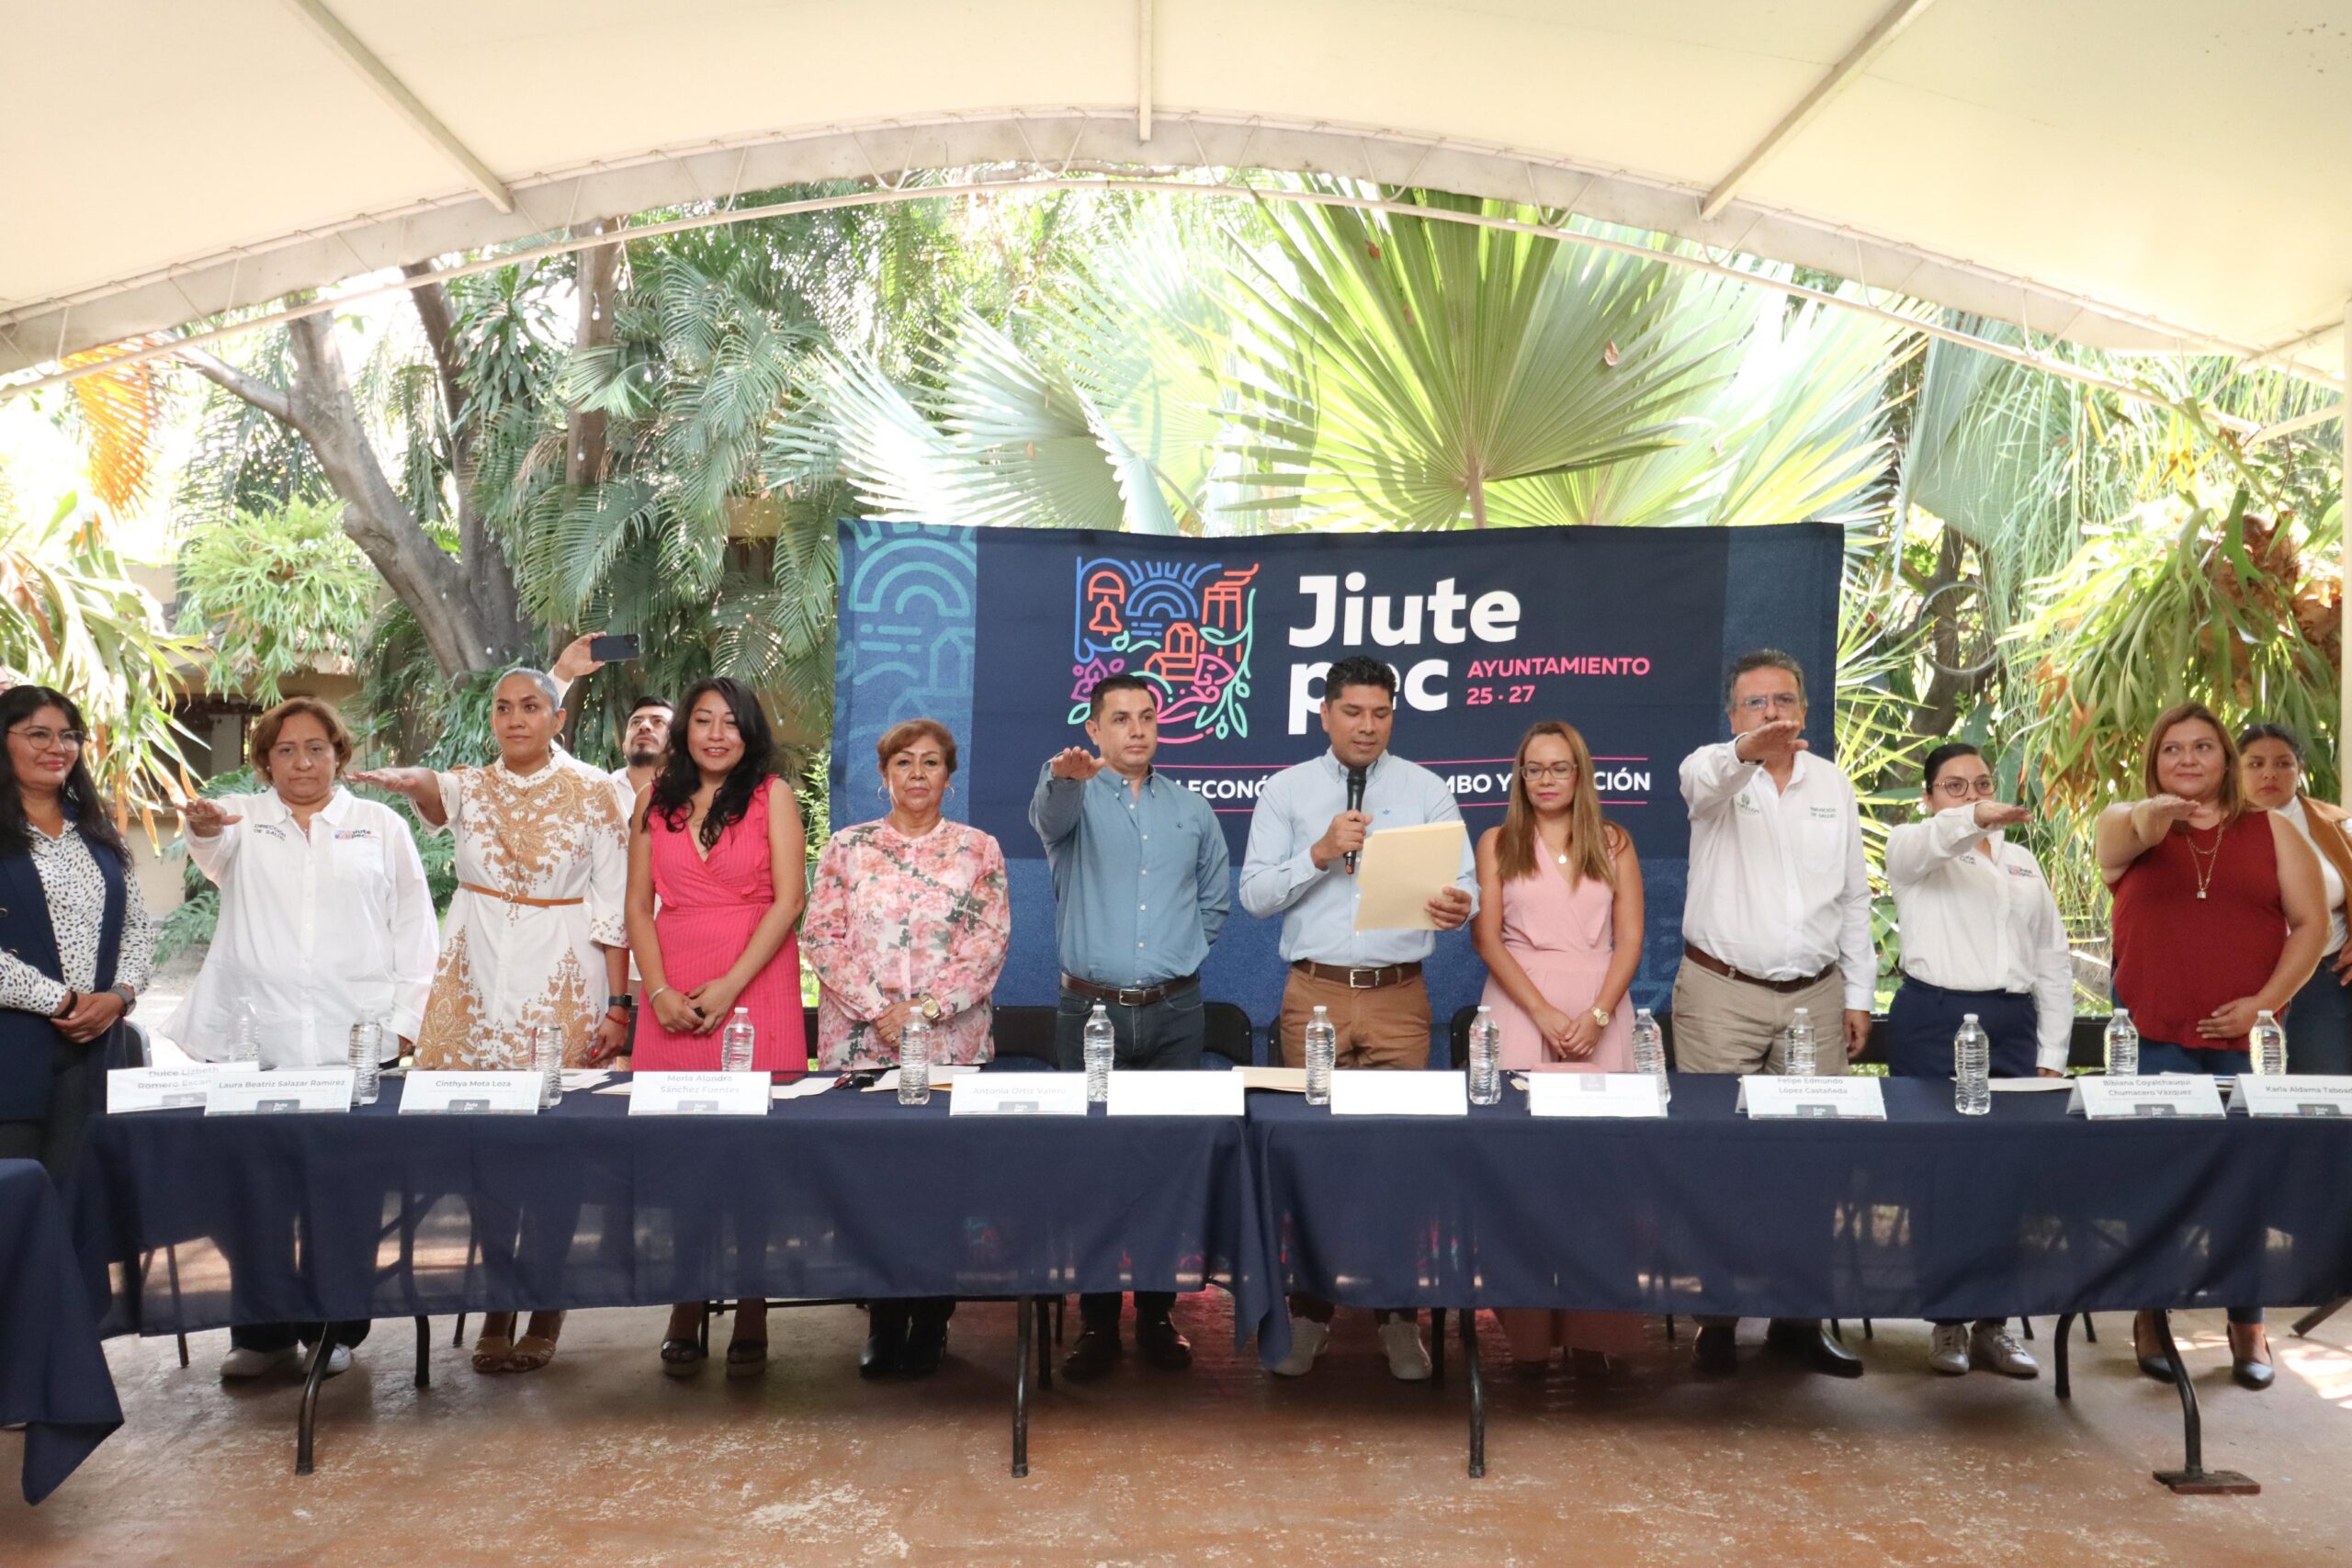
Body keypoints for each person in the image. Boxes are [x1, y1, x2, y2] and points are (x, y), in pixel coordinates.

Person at [354, 668, 632, 1375]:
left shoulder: (597, 791)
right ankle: (498, 1295)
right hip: (475, 971)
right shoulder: (471, 785)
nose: (514, 718)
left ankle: (546, 1298)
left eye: (530, 706)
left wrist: (618, 1004)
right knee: (483, 1145)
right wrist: (409, 780)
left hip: (561, 973)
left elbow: (615, 905)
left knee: (552, 1146)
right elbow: (432, 790)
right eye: (503, 707)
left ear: (558, 719)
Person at [172, 697, 438, 1382]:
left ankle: (334, 1329)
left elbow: (415, 925)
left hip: (357, 1038)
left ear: (338, 755)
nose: (302, 762)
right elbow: (210, 845)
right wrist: (202, 824)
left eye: (316, 747)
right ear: (265, 761)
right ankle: (261, 1333)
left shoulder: (379, 824)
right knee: (254, 1191)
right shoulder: (243, 818)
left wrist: (406, 1020)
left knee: (345, 1193)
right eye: (285, 750)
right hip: (253, 1039)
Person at [1239, 655, 1476, 1382]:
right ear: (1326, 714)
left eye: (1380, 713)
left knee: (1397, 1157)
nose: (1367, 726)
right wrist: (1319, 852)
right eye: (1353, 712)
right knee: (1309, 1160)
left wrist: (1456, 906)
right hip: (1313, 993)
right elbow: (1254, 895)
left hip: (1399, 995)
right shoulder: (1286, 791)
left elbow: (1464, 886)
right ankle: (1309, 1313)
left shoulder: (1427, 789)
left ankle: (1397, 1315)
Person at [2096, 701, 2325, 1392]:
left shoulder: (2274, 831)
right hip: (2152, 1039)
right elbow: (2128, 835)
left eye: (2203, 746)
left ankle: (2248, 1322)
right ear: (2154, 760)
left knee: (2246, 1179)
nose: (2188, 758)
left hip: (2245, 1044)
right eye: (2173, 748)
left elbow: (2311, 925)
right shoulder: (2125, 822)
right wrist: (2158, 814)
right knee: (2156, 1180)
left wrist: (2264, 1004)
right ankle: (2152, 1312)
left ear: (2226, 758)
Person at [1672, 649, 1872, 1379]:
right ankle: (1717, 1318)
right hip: (1720, 992)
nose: (1771, 712)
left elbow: (1853, 896)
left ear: (1806, 710)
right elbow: (1705, 780)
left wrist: (1858, 994)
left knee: (1812, 1161)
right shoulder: (1713, 771)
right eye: (1754, 702)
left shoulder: (1832, 784)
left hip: (1815, 996)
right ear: (1732, 715)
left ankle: (1800, 1317)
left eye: (1783, 699)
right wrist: (1746, 752)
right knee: (1718, 1159)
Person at [1031, 672, 1231, 1381]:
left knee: (1163, 1168)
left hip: (1175, 1011)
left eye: (1147, 716)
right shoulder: (1072, 793)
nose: (1137, 728)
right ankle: (1095, 1322)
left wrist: (1180, 957)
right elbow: (1049, 815)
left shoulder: (1192, 808)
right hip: (1090, 1013)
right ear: (1094, 729)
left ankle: (1155, 1313)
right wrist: (1064, 776)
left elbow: (1215, 899)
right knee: (1091, 1170)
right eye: (1120, 718)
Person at [804, 717, 1010, 1379]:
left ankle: (933, 1317)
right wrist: (881, 1011)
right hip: (862, 1044)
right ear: (883, 774)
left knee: (941, 1184)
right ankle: (884, 1320)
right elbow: (822, 938)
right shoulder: (847, 848)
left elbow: (987, 945)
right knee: (873, 1183)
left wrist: (922, 1011)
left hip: (950, 1044)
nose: (917, 774)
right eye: (904, 762)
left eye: (930, 762)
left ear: (949, 776)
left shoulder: (979, 850)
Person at [628, 678, 808, 1380]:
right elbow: (637, 906)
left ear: (749, 732)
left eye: (730, 722)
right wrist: (658, 991)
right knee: (682, 1156)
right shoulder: (653, 799)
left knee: (752, 1153)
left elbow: (789, 899)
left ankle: (754, 1302)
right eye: (703, 720)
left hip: (756, 984)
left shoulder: (773, 796)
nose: (715, 733)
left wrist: (732, 985)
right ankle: (686, 1298)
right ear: (684, 731)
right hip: (672, 991)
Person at [1884, 742, 2071, 1380]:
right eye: (1954, 785)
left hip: (2012, 1026)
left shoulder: (2022, 863)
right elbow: (1932, 841)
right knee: (1940, 1176)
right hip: (1934, 1021)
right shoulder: (1913, 848)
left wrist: (2052, 1053)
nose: (1972, 794)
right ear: (1928, 797)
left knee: (2007, 1176)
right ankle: (1947, 1321)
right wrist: (1972, 817)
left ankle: (1995, 1323)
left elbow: (2051, 957)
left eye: (1982, 783)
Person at [1471, 719, 1644, 1377]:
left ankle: (1595, 1334)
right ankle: (1528, 1341)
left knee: (1602, 1178)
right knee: (1524, 1178)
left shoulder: (1614, 840)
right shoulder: (1497, 841)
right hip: (1520, 1008)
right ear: (1521, 775)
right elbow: (1486, 938)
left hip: (1601, 1007)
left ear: (1580, 774)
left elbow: (1631, 938)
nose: (1546, 779)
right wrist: (1541, 1010)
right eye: (1534, 768)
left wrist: (1598, 1014)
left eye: (1559, 767)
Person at [0, 687, 155, 1179]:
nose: (58, 748)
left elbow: (137, 926)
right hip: (12, 1060)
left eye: (69, 736)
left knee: (88, 1204)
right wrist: (65, 1003)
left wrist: (119, 996)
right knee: (17, 1207)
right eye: (38, 734)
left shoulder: (94, 827)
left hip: (97, 1057)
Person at [2239, 723, 2352, 1075]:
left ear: (2300, 769)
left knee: (2323, 1089)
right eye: (2255, 764)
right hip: (2240, 979)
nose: (2269, 773)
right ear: (2233, 770)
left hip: (2323, 980)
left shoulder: (2338, 826)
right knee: (2242, 1089)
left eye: (2283, 763)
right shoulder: (2210, 825)